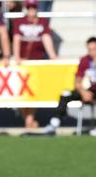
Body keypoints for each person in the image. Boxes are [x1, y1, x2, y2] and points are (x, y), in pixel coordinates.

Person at [12, 0, 57, 129]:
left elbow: (46, 39)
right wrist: (17, 57)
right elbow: (16, 40)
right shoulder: (20, 22)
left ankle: (29, 120)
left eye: (33, 8)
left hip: (37, 61)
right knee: (23, 92)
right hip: (23, 62)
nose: (32, 11)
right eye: (29, 8)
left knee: (32, 92)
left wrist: (53, 56)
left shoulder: (42, 22)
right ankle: (28, 119)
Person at [45, 36, 96, 136]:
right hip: (87, 91)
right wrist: (83, 92)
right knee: (66, 94)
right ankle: (54, 123)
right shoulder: (85, 60)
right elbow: (77, 81)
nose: (92, 52)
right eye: (89, 49)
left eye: (94, 49)